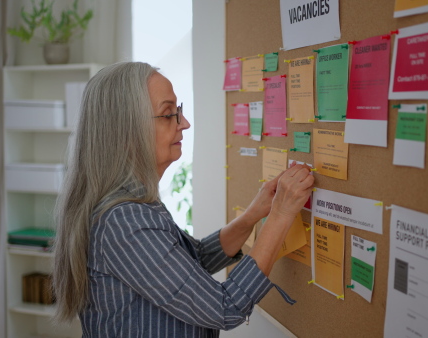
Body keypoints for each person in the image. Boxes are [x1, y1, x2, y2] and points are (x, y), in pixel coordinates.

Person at [53, 62, 314, 337]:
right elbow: (225, 307)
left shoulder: (135, 204)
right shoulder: (125, 221)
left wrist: (252, 216)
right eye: (168, 114)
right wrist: (281, 216)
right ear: (127, 133)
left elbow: (194, 259)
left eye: (178, 111)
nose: (185, 123)